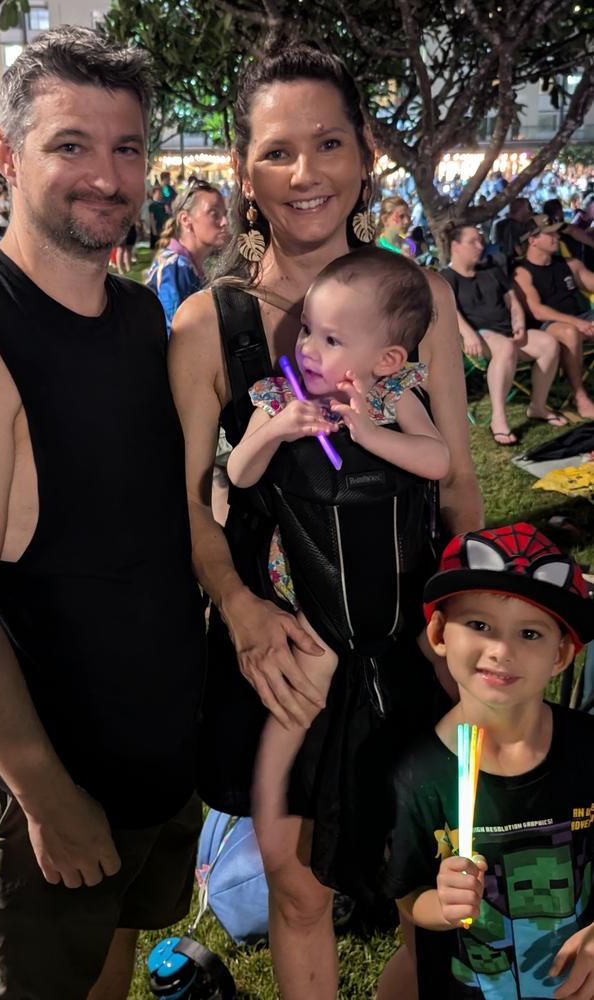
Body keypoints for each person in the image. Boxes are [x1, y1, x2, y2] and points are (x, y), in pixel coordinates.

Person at [169, 38, 482, 1000]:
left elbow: (457, 486)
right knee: (297, 890)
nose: (305, 174)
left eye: (329, 143)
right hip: (285, 653)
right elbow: (188, 499)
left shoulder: (417, 299)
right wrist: (241, 604)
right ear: (242, 171)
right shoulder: (206, 324)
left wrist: (462, 627)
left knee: (429, 887)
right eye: (276, 151)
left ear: (363, 155)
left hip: (409, 644)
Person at [0, 26, 205, 1000]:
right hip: (51, 772)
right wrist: (45, 796)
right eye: (70, 145)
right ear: (7, 155)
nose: (106, 175)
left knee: (116, 960)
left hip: (150, 744)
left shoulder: (140, 317)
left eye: (126, 147)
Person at [227, 247, 450, 828]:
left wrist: (370, 433)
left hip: (395, 573)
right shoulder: (281, 396)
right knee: (309, 683)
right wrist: (275, 430)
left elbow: (437, 460)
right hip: (311, 577)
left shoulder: (392, 396)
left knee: (436, 663)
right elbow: (240, 472)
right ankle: (269, 802)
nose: (307, 349)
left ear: (387, 358)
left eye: (330, 339)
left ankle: (456, 768)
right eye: (306, 330)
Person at [385, 522, 594, 1000]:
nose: (502, 651)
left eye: (529, 633)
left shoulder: (588, 749)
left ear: (561, 654)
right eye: (479, 626)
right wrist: (442, 905)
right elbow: (407, 891)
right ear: (439, 632)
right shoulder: (419, 775)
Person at [442, 226, 565, 446]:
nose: (480, 246)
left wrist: (518, 321)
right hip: (478, 337)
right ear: (455, 246)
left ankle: (538, 406)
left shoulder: (491, 269)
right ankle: (498, 419)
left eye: (481, 240)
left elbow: (513, 301)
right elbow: (450, 310)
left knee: (548, 343)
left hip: (507, 333)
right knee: (506, 348)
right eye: (473, 242)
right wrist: (468, 334)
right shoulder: (446, 278)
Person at [514, 214, 594, 419]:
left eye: (557, 233)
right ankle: (579, 396)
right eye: (550, 234)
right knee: (569, 332)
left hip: (582, 317)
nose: (556, 237)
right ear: (532, 240)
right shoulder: (522, 273)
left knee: (574, 330)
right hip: (546, 326)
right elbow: (537, 311)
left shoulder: (570, 264)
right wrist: (579, 323)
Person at [146, 178, 229, 328]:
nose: (225, 222)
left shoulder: (188, 265)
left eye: (225, 214)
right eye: (214, 214)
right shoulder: (174, 269)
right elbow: (177, 335)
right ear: (185, 220)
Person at [491, 197, 533, 262]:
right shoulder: (514, 225)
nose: (529, 211)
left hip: (503, 261)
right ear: (521, 209)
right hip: (516, 261)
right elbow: (517, 248)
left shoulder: (500, 224)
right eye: (527, 208)